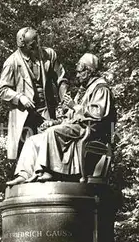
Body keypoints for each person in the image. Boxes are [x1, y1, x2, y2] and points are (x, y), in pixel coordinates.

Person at [6, 53, 116, 185]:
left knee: (53, 132)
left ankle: (49, 170)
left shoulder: (101, 89)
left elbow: (98, 113)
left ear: (89, 71)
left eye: (80, 72)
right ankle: (24, 173)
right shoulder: (84, 91)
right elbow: (69, 117)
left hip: (90, 129)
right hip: (74, 127)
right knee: (32, 139)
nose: (77, 76)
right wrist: (53, 122)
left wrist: (74, 106)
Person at [0, 27, 68, 160]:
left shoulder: (48, 55)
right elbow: (2, 90)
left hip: (45, 109)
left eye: (37, 44)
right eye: (32, 46)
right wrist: (19, 97)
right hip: (24, 113)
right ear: (22, 44)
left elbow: (61, 78)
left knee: (48, 146)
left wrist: (66, 104)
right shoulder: (11, 62)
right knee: (27, 152)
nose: (36, 48)